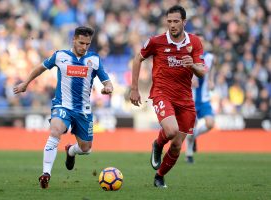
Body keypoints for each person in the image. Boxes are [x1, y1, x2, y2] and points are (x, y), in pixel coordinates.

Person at [13, 26, 113, 189]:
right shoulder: (61, 56)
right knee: (55, 131)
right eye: (81, 43)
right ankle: (46, 174)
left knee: (86, 149)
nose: (84, 47)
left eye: (87, 44)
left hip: (83, 110)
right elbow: (40, 68)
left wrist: (108, 88)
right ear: (73, 39)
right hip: (62, 105)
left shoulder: (94, 59)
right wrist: (25, 83)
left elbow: (106, 81)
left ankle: (71, 151)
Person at [130, 5, 206, 188]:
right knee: (171, 131)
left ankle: (159, 176)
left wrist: (193, 66)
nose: (172, 25)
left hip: (185, 99)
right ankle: (157, 144)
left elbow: (202, 72)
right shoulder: (156, 41)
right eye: (169, 21)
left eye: (176, 21)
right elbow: (137, 59)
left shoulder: (194, 42)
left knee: (177, 145)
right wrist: (134, 88)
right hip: (161, 93)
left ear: (184, 22)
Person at [185, 33, 215, 164]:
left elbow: (211, 70)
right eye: (198, 41)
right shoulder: (187, 56)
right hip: (190, 98)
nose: (200, 43)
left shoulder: (209, 57)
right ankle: (189, 154)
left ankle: (194, 137)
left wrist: (211, 80)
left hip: (204, 98)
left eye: (202, 40)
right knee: (192, 126)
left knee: (210, 124)